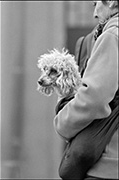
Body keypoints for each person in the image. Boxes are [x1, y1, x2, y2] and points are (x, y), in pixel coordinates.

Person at [56, 0, 119, 179]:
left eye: (95, 3)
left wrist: (62, 123)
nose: (94, 14)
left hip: (108, 163)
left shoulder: (112, 35)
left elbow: (94, 98)